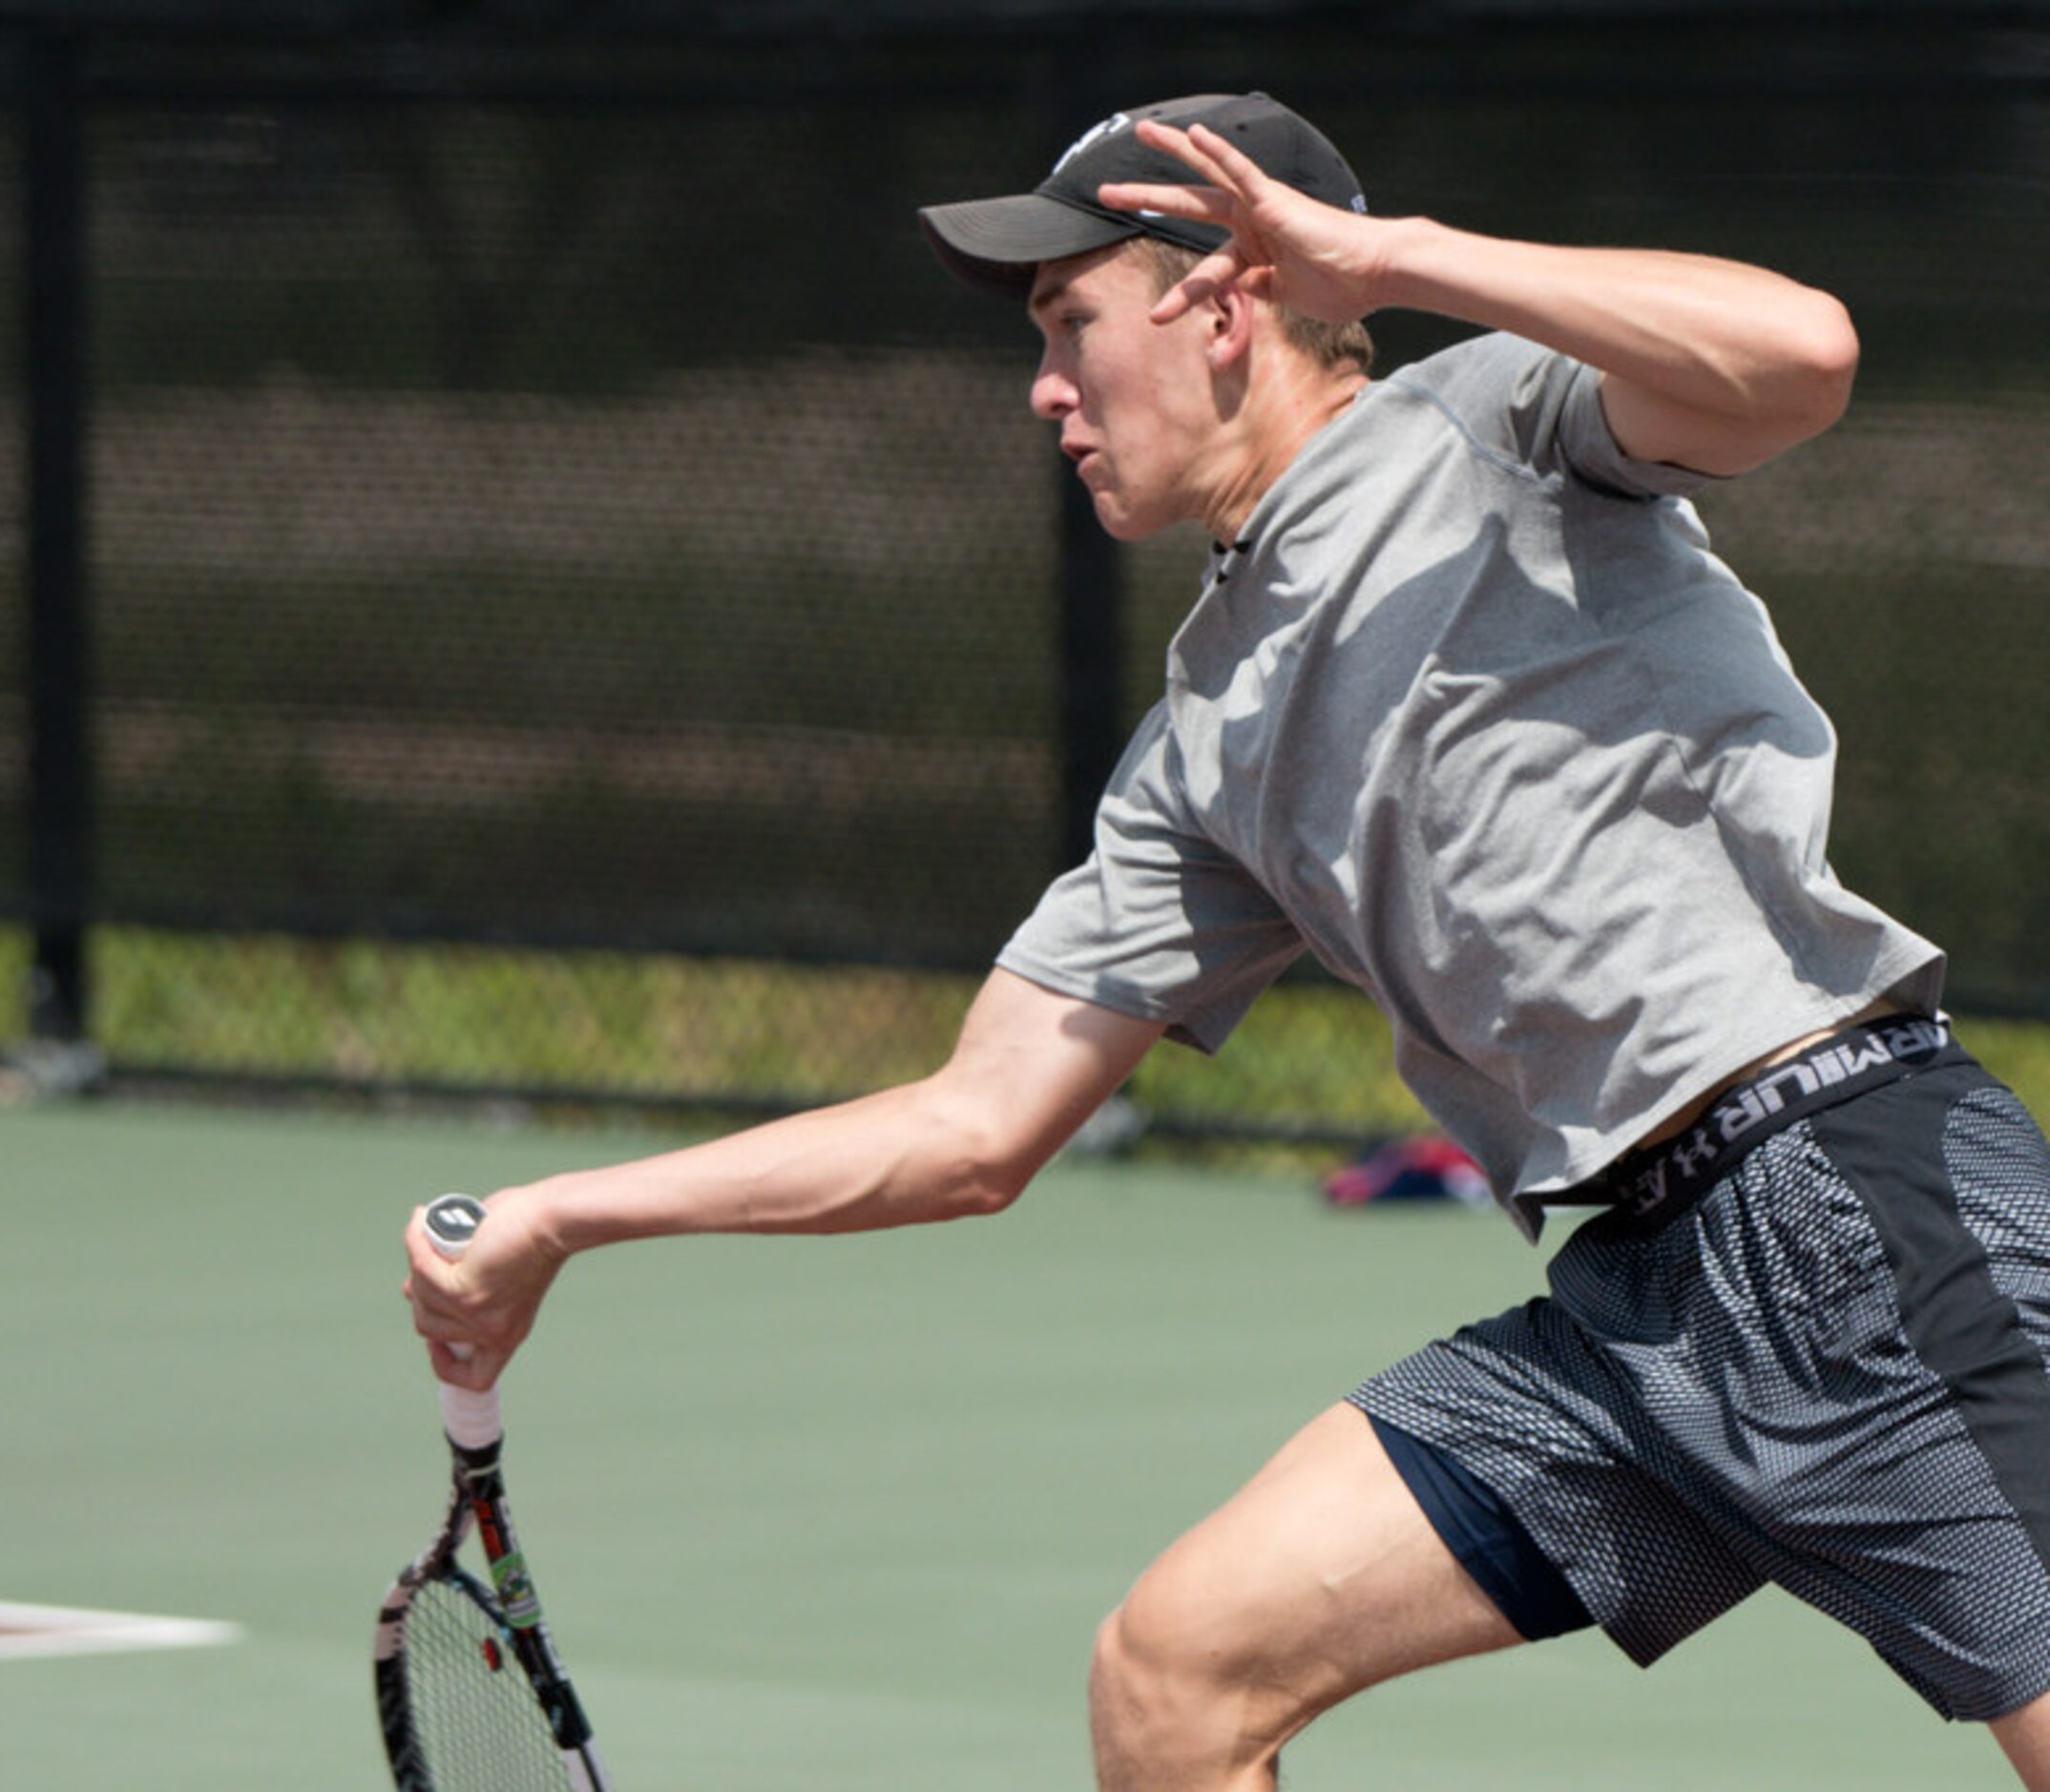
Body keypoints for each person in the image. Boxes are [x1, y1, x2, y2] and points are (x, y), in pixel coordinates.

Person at [402, 90, 2050, 1788]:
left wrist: (1394, 262)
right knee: (1180, 1674)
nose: (1045, 390)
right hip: (1634, 1308)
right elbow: (971, 1129)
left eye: (1071, 325)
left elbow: (1805, 354)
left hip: (1857, 1207)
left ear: (1222, 299)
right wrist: (559, 1216)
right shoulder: (1202, 738)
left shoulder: (1486, 418)